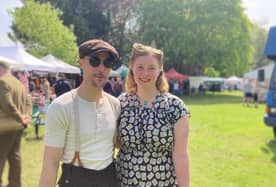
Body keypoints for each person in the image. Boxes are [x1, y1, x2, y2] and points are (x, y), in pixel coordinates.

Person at [39, 39, 120, 187]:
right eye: (95, 61)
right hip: (76, 181)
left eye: (107, 63)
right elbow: (50, 163)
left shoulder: (115, 104)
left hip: (109, 180)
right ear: (81, 63)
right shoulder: (61, 107)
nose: (101, 68)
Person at [116, 43, 190, 187]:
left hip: (163, 183)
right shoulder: (121, 103)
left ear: (160, 70)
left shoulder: (175, 107)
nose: (145, 74)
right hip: (124, 182)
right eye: (140, 67)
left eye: (151, 68)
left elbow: (181, 156)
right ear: (131, 68)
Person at [0, 60, 32, 187]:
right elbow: (28, 102)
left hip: (4, 128)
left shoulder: (2, 81)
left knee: (1, 157)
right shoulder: (18, 83)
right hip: (18, 127)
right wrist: (26, 118)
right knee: (15, 156)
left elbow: (8, 105)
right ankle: (15, 183)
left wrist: (20, 118)